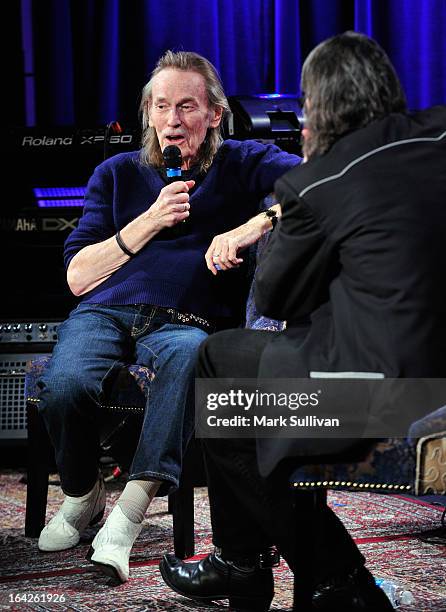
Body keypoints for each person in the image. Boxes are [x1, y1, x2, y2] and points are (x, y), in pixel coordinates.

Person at [159, 32, 446, 611]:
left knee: (222, 377)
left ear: (314, 110)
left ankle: (328, 576)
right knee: (255, 374)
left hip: (382, 399)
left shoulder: (319, 182)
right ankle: (245, 560)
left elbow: (278, 297)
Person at [36, 50, 301, 582]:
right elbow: (77, 277)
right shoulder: (114, 174)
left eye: (187, 107)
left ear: (215, 114)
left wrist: (253, 226)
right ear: (148, 115)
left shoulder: (243, 161)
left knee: (186, 360)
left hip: (188, 320)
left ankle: (127, 517)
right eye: (161, 108)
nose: (173, 121)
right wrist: (149, 222)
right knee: (64, 386)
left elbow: (325, 184)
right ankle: (83, 494)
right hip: (106, 311)